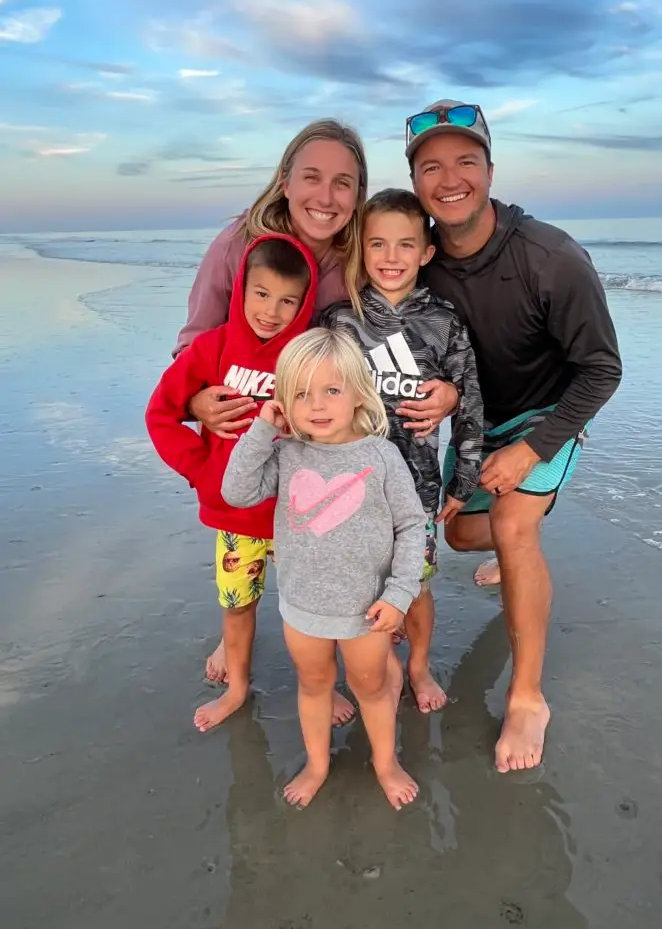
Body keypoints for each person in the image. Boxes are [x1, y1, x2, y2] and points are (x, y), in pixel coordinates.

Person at [174, 120, 459, 713]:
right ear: (284, 181)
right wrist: (196, 400)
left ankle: (343, 655)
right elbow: (195, 342)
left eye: (343, 183)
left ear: (358, 195)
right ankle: (243, 646)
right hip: (253, 441)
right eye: (311, 178)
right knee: (247, 549)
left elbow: (403, 328)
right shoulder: (240, 245)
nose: (325, 197)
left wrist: (449, 393)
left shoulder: (358, 255)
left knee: (320, 556)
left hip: (329, 447)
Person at [399, 99, 623, 772]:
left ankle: (528, 697)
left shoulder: (550, 258)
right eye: (431, 166)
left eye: (466, 160)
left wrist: (532, 449)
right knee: (465, 534)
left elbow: (602, 370)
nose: (450, 178)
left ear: (490, 170)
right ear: (415, 182)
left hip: (546, 414)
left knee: (514, 527)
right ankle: (520, 534)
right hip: (476, 420)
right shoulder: (420, 259)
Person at [222, 328, 425, 810]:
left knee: (372, 690)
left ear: (358, 393)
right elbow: (237, 492)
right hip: (302, 607)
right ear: (283, 401)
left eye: (331, 390)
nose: (316, 404)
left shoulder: (380, 455)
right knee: (314, 686)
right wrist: (261, 430)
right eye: (300, 393)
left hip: (367, 612)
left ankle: (385, 762)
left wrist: (399, 595)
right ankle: (317, 764)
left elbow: (413, 526)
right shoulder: (288, 452)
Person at [321, 188, 483, 713]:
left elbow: (470, 400)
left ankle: (417, 667)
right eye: (378, 244)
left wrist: (464, 481)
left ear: (427, 252)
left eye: (406, 245)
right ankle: (373, 666)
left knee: (416, 585)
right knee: (353, 582)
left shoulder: (445, 321)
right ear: (360, 249)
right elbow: (306, 395)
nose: (392, 258)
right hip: (346, 487)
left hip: (416, 489)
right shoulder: (339, 321)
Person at [146, 235, 317, 731]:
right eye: (261, 294)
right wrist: (203, 471)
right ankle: (239, 689)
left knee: (308, 608)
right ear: (240, 289)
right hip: (236, 518)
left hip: (297, 517)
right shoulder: (212, 347)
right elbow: (161, 414)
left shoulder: (306, 355)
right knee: (238, 606)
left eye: (288, 300)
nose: (271, 311)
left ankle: (318, 686)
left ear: (305, 303)